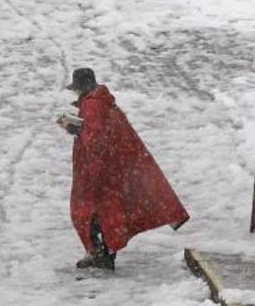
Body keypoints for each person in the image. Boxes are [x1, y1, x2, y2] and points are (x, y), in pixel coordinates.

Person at [58, 68, 189, 271]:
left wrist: (75, 129)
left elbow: (96, 140)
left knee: (88, 212)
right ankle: (103, 253)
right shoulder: (103, 101)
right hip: (110, 168)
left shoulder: (92, 105)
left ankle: (100, 254)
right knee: (108, 212)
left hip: (98, 171)